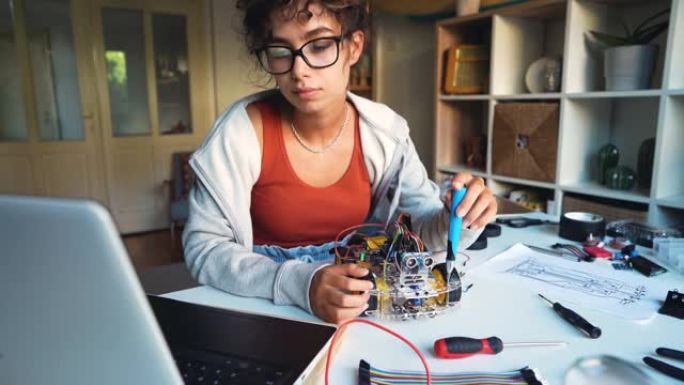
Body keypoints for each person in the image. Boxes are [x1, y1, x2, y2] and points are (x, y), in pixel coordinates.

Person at [183, 0, 497, 324]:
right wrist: (300, 283)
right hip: (264, 304)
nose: (299, 71)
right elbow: (204, 249)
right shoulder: (240, 133)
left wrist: (461, 216)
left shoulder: (386, 134)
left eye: (319, 46)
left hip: (360, 305)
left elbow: (420, 233)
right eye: (280, 50)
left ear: (354, 47)